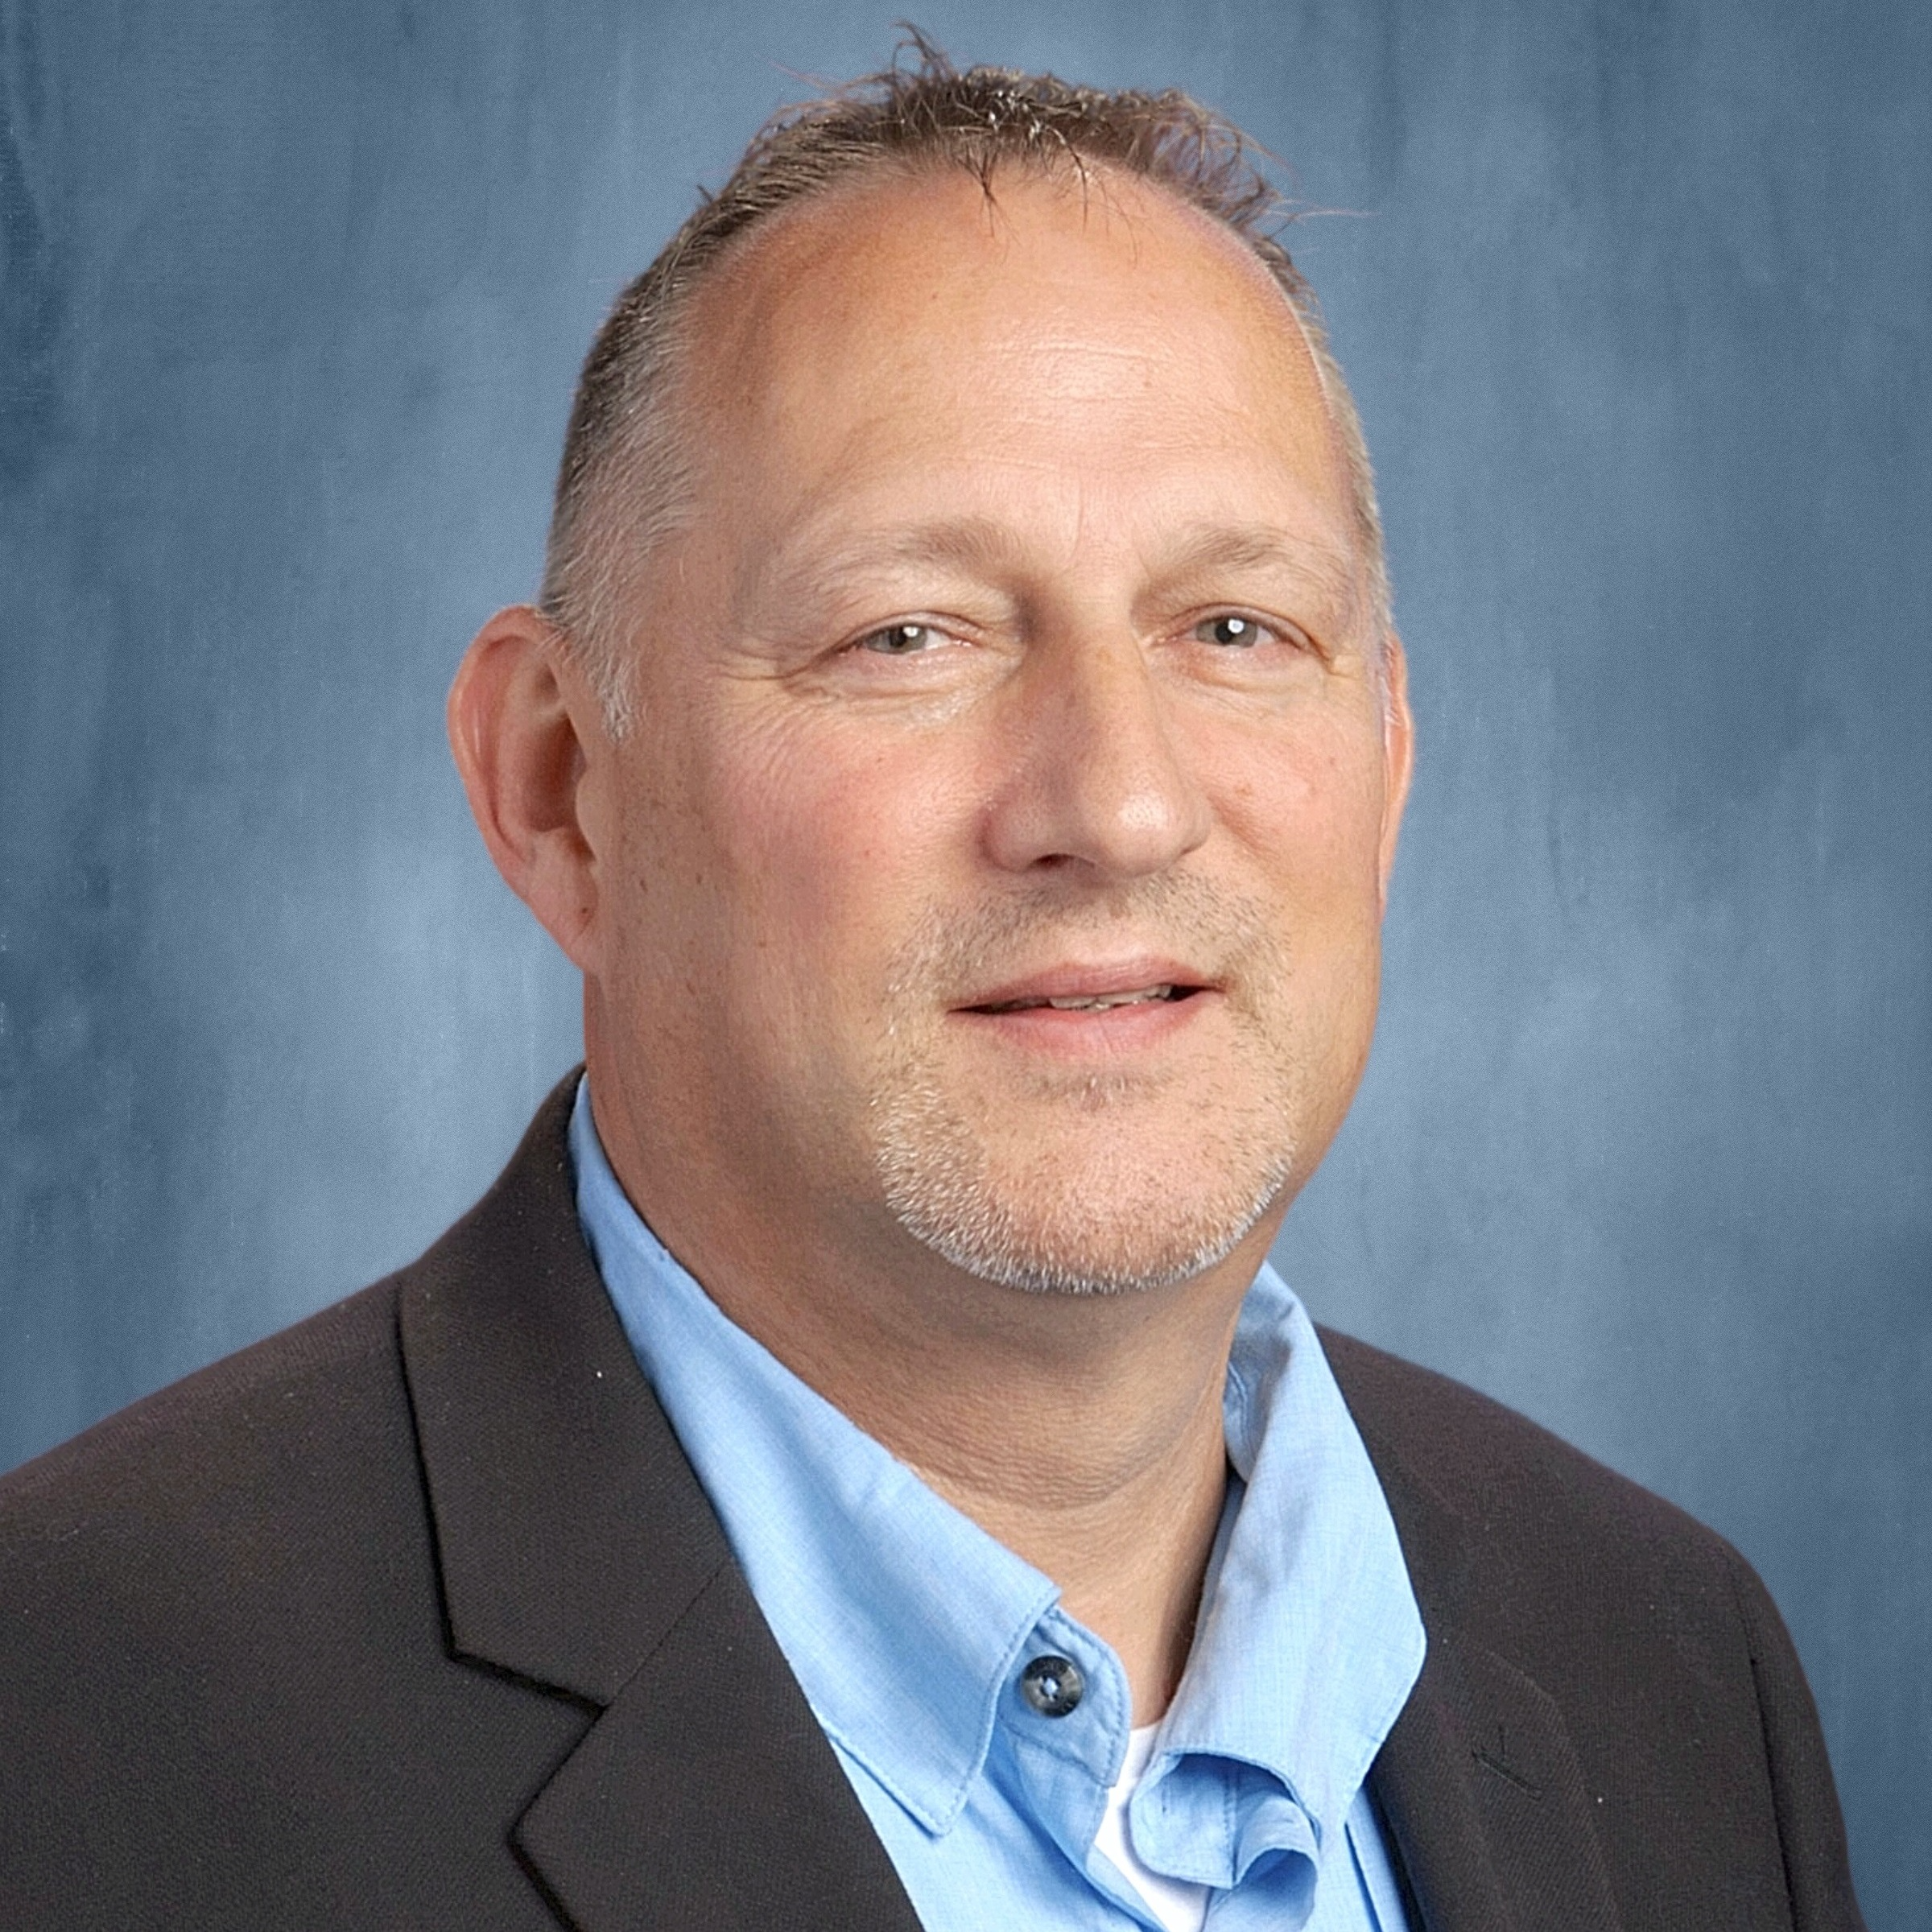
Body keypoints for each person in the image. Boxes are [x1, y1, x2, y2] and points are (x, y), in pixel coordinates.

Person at [0, 46, 1864, 1932]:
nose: (1121, 805)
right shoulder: (70, 1728)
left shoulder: (1677, 1663)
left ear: (1384, 768)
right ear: (562, 788)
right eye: (910, 633)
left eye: (1234, 627)